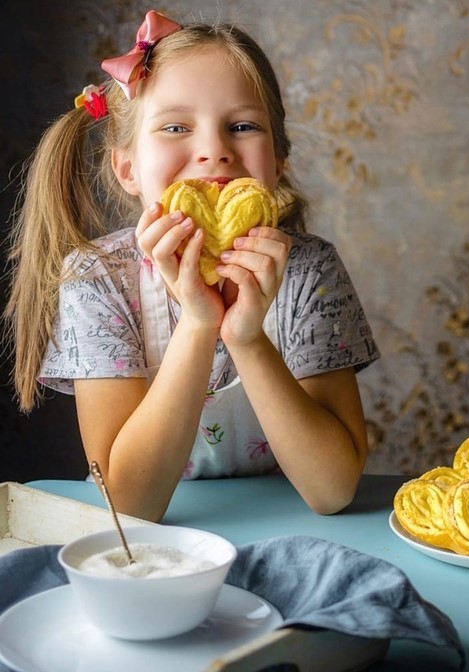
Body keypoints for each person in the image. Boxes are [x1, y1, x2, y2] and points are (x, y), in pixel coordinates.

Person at [4, 10, 380, 521]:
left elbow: (333, 489)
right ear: (127, 167)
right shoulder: (96, 280)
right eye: (176, 127)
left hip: (284, 525)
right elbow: (129, 504)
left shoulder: (310, 272)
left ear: (279, 161)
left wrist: (247, 337)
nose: (214, 151)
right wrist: (201, 324)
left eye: (242, 126)